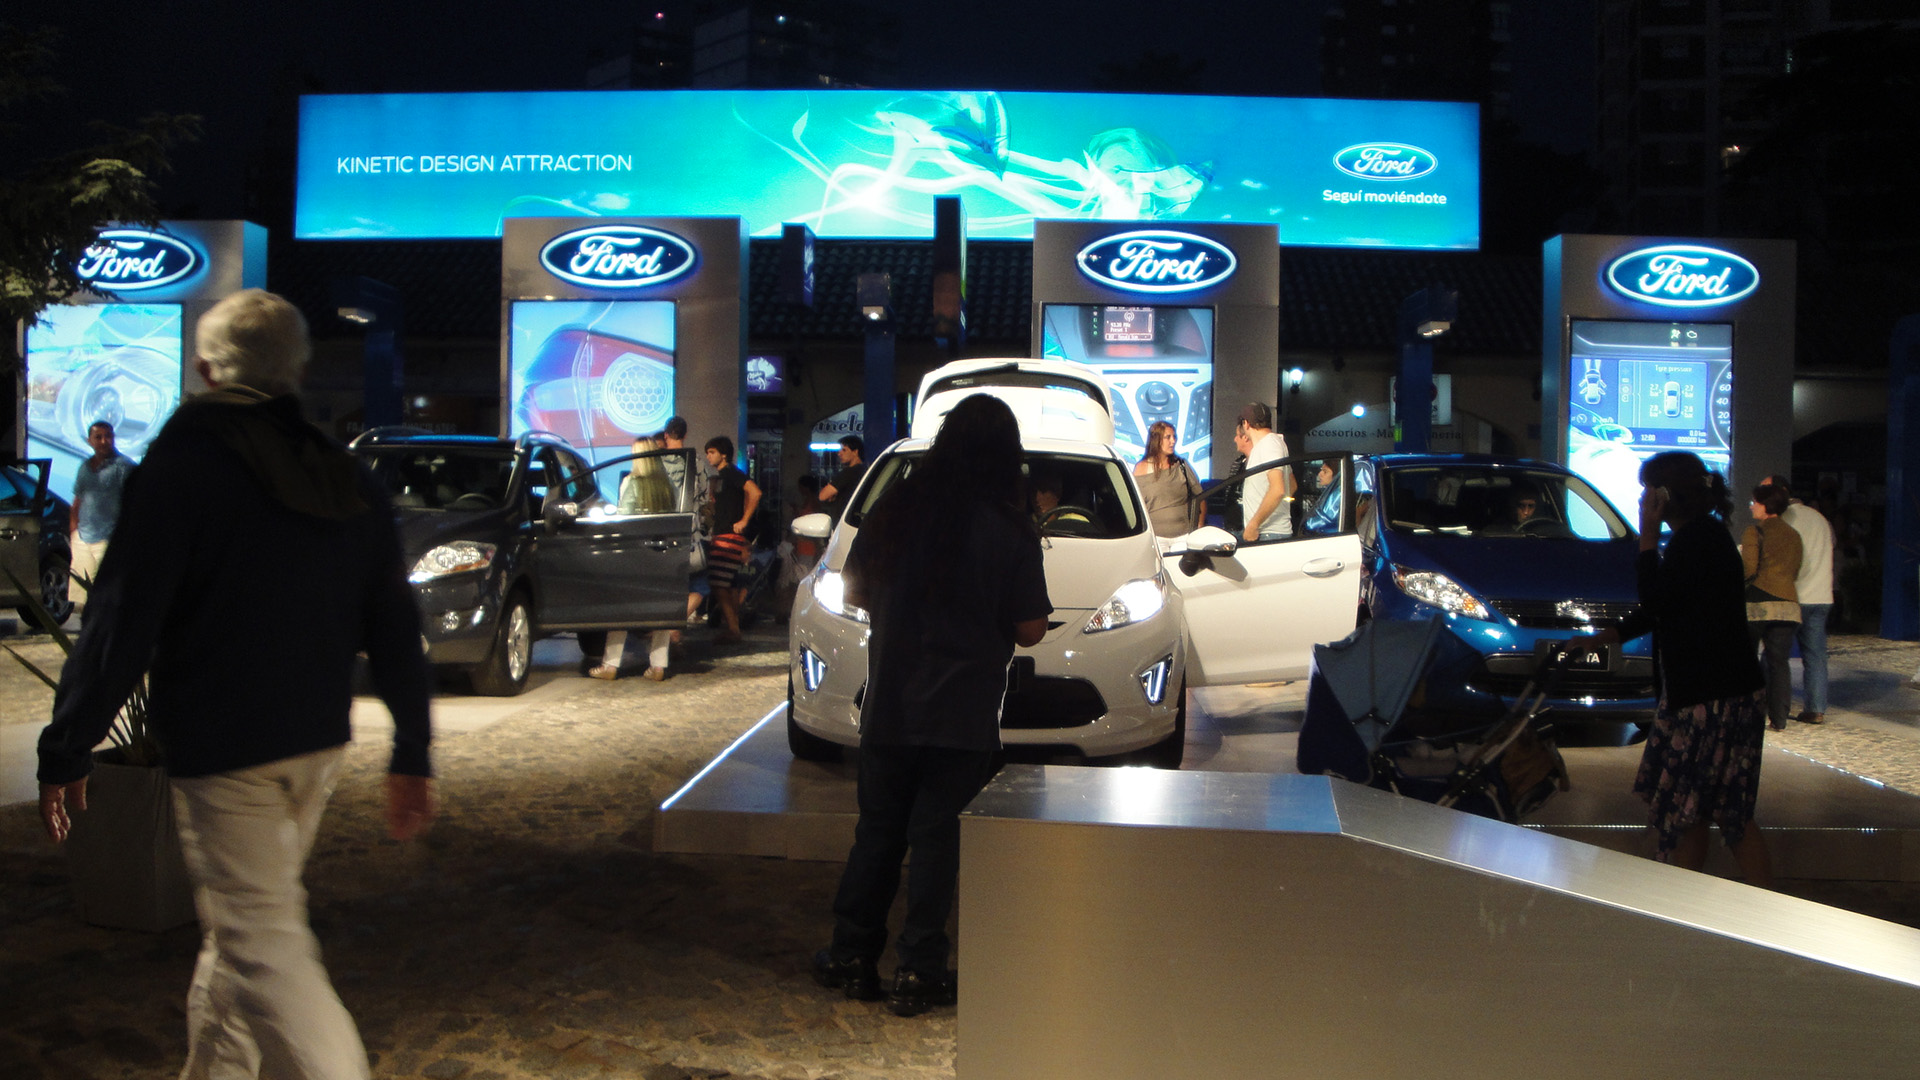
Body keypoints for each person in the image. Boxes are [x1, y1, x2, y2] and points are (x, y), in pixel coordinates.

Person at [35, 289, 435, 1078]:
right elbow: (393, 622)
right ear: (298, 371)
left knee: (263, 946)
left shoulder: (184, 467)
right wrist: (412, 751)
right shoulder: (342, 475)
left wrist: (69, 744)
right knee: (239, 936)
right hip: (315, 745)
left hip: (226, 749)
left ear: (206, 369)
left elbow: (121, 620)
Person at [811, 393, 1051, 1017]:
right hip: (963, 712)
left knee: (877, 834)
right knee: (937, 842)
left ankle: (851, 955)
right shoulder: (1010, 528)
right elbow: (1030, 629)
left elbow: (855, 592)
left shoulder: (896, 509)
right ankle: (919, 970)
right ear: (1007, 457)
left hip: (891, 702)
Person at [1592, 451, 1770, 884]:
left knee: (1706, 811)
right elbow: (1669, 603)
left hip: (1711, 697)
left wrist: (1647, 539)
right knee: (1711, 810)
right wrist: (1610, 635)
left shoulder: (1695, 540)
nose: (1641, 501)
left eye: (1646, 492)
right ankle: (1705, 903)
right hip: (1719, 691)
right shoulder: (1703, 537)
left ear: (1664, 496)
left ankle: (1702, 904)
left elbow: (1657, 599)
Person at [591, 436, 678, 682]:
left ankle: (610, 665)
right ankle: (658, 667)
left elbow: (624, 518)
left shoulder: (631, 482)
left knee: (621, 610)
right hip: (662, 554)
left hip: (635, 554)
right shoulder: (668, 485)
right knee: (661, 612)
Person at [1765, 474, 1836, 725]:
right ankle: (1815, 709)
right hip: (1821, 596)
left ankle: (1769, 705)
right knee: (1815, 656)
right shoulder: (1820, 518)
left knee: (1774, 655)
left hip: (1793, 596)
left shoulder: (1783, 519)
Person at [1742, 482, 1804, 733]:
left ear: (1765, 506)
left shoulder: (1754, 532)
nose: (1751, 507)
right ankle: (1779, 719)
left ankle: (1749, 712)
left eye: (1754, 503)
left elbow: (1748, 569)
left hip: (1758, 603)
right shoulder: (1794, 535)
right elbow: (1795, 570)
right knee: (1779, 663)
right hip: (1788, 604)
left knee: (1747, 661)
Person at [68, 420, 137, 614]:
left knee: (108, 595)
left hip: (109, 539)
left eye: (108, 436)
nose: (104, 441)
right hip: (83, 537)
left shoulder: (124, 467)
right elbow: (77, 500)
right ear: (89, 441)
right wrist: (74, 532)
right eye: (98, 437)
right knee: (83, 598)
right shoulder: (84, 467)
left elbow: (134, 503)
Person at [704, 436, 761, 645]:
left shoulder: (731, 473)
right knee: (727, 584)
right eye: (708, 453)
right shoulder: (723, 476)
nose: (708, 456)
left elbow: (755, 492)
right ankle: (732, 626)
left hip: (728, 535)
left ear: (724, 454)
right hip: (724, 533)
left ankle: (733, 628)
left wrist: (744, 520)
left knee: (720, 584)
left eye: (712, 452)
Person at [1133, 420, 1202, 538]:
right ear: (1156, 440)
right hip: (1155, 537)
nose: (1173, 441)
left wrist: (1199, 526)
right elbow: (1136, 506)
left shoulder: (1181, 465)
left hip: (1183, 535)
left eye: (1174, 437)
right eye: (1168, 437)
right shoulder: (1141, 468)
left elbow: (1200, 497)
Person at [1235, 402, 1293, 542]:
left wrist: (1254, 525)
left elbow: (1278, 490)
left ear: (1246, 424)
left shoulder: (1269, 444)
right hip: (1270, 532)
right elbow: (1291, 485)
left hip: (1268, 533)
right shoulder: (1271, 443)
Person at [819, 435, 866, 520]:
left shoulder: (848, 472)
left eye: (844, 450)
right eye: (840, 450)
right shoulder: (865, 470)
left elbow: (823, 496)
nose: (839, 453)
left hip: (843, 520)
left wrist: (833, 495)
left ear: (855, 452)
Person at [1303, 461, 1342, 535]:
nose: (1320, 474)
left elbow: (1324, 520)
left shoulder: (1337, 495)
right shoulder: (1329, 493)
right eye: (1321, 470)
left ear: (1336, 475)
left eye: (1325, 471)